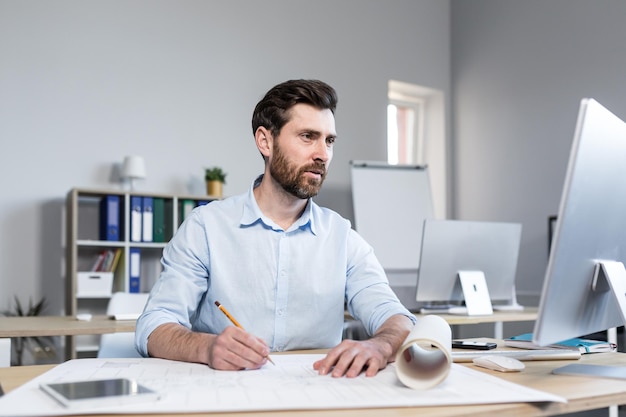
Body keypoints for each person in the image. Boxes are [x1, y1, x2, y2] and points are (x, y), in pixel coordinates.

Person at [135, 79, 416, 378]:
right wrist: (206, 347)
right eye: (308, 136)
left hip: (319, 393)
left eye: (329, 140)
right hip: (227, 395)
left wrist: (380, 346)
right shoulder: (206, 227)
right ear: (265, 142)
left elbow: (395, 317)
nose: (323, 154)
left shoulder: (341, 237)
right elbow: (154, 325)